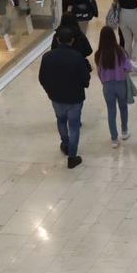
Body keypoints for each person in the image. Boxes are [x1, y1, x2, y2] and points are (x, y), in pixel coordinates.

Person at [38, 27, 90, 169]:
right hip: (75, 98)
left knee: (61, 120)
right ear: (72, 40)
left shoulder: (47, 57)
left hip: (56, 97)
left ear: (57, 39)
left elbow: (42, 78)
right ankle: (72, 156)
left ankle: (65, 144)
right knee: (74, 126)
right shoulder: (77, 57)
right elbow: (85, 80)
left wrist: (50, 91)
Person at [94, 26, 137, 147]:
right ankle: (124, 131)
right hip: (120, 84)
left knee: (111, 111)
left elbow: (99, 72)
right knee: (123, 108)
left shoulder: (99, 54)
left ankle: (114, 138)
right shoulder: (120, 52)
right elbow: (128, 68)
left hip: (107, 86)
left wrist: (104, 81)